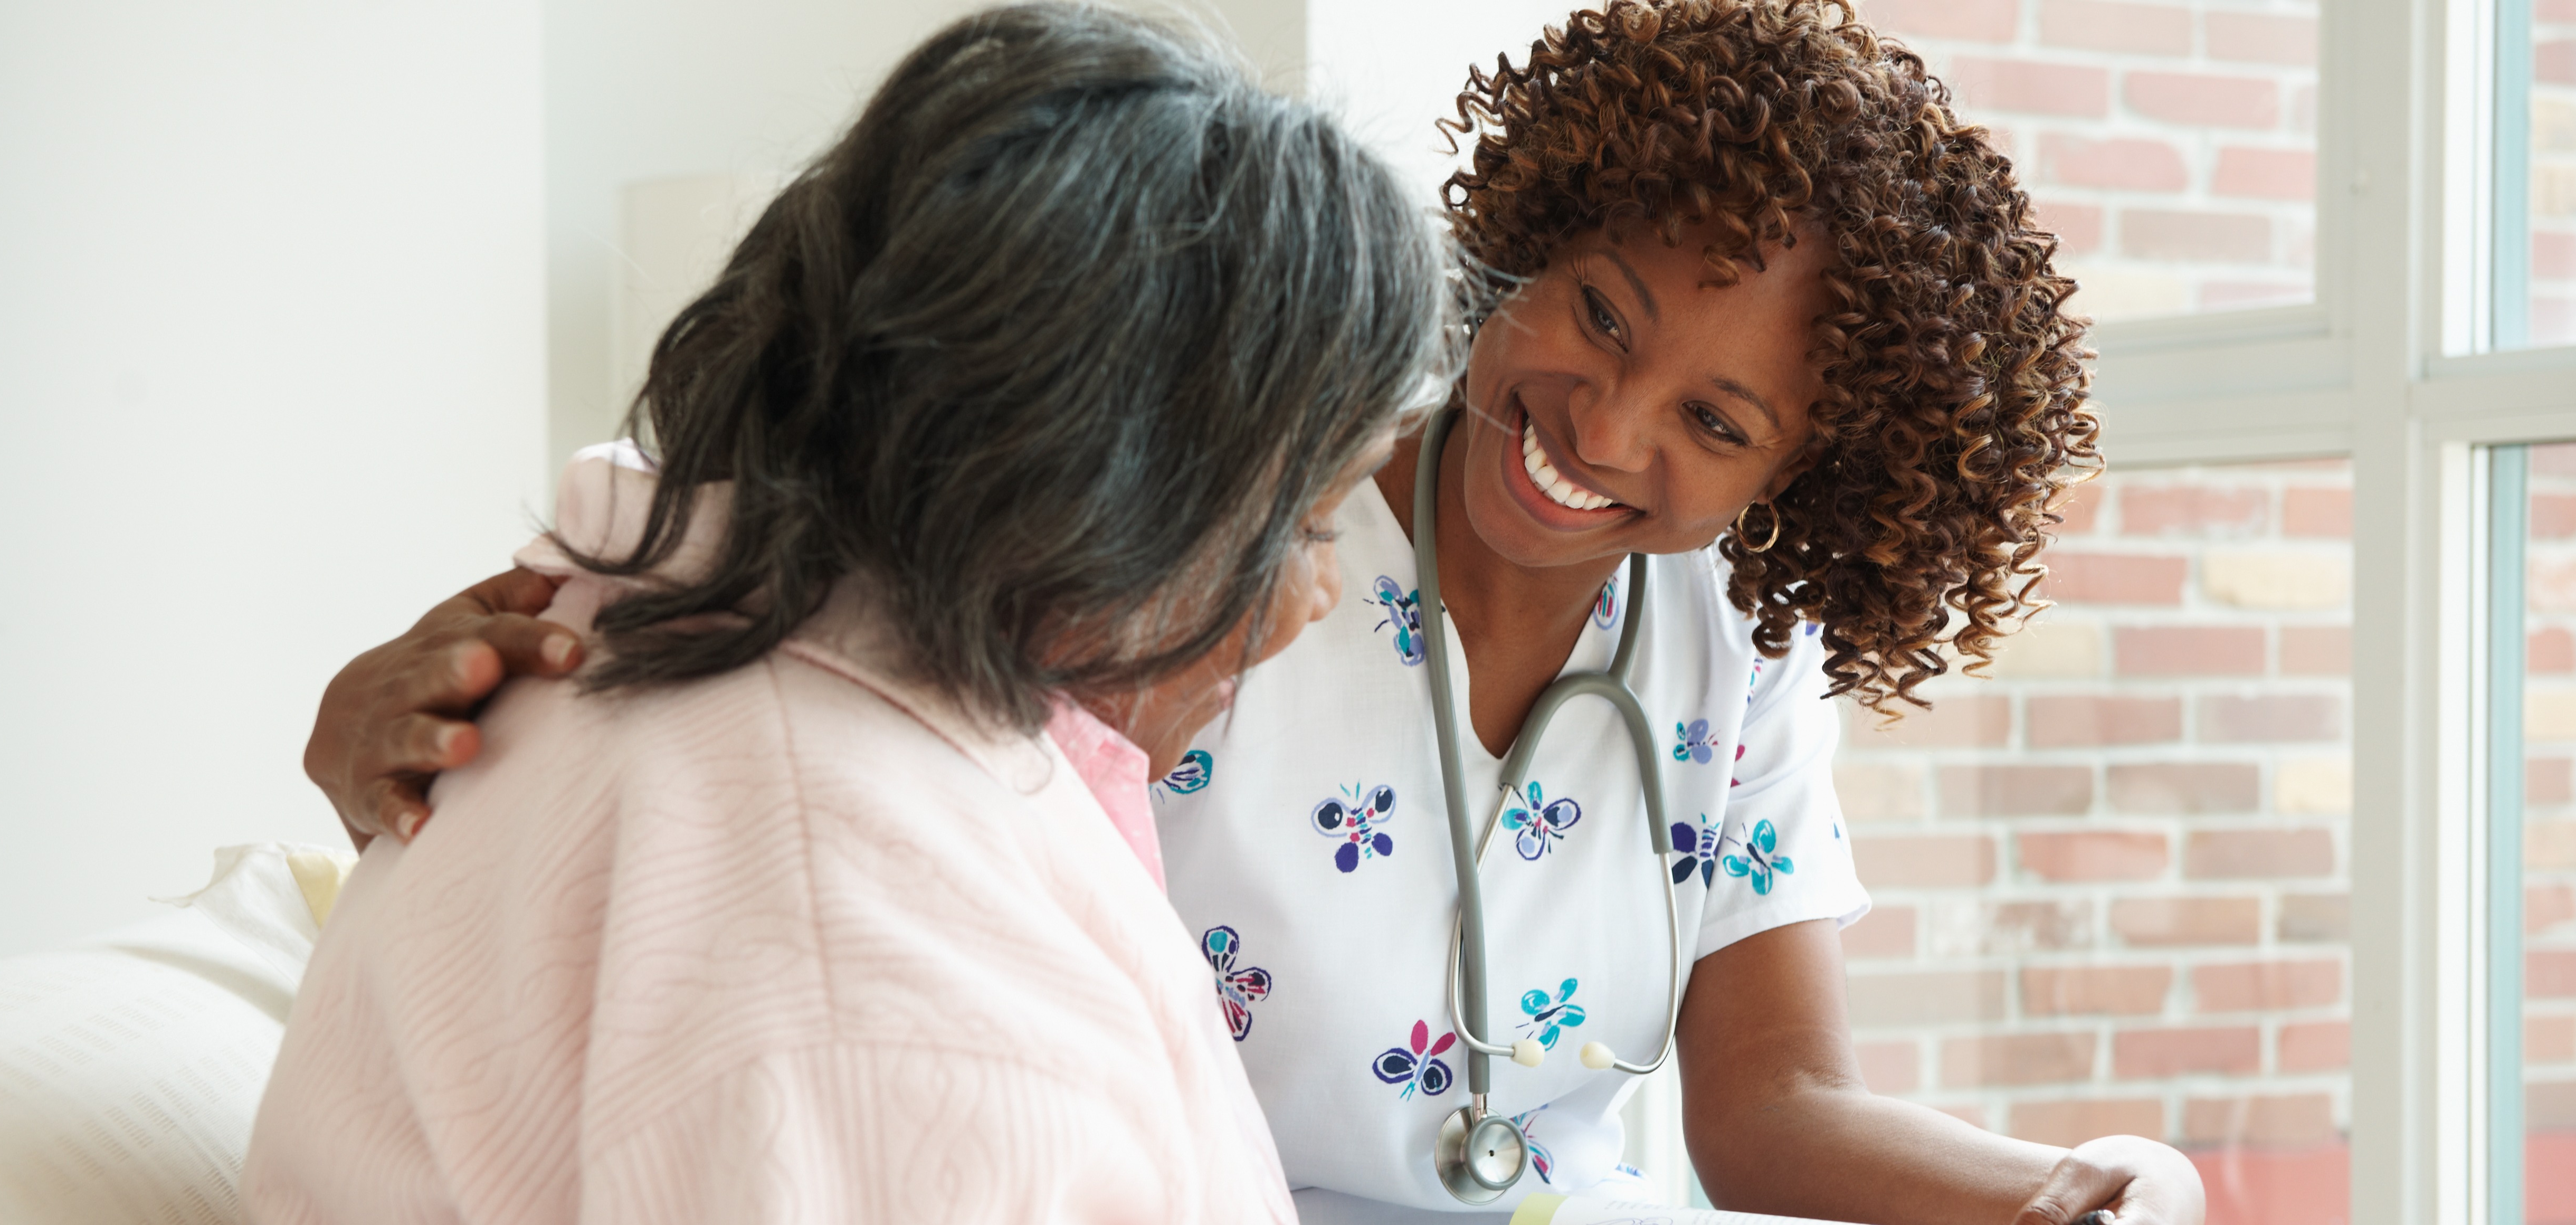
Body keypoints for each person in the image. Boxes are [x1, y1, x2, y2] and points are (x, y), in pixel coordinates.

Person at [301, 2, 2208, 1222]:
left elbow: (1773, 1097)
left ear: (1805, 480)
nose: (1601, 427)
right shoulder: (1183, 540)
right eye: (1597, 315)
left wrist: (2060, 1188)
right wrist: (388, 720)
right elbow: (743, 646)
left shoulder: (1723, 650)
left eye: (1716, 422)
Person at [246, 6, 1444, 1222]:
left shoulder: (677, 652)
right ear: (1100, 494)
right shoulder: (869, 957)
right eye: (1308, 525)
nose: (1319, 599)